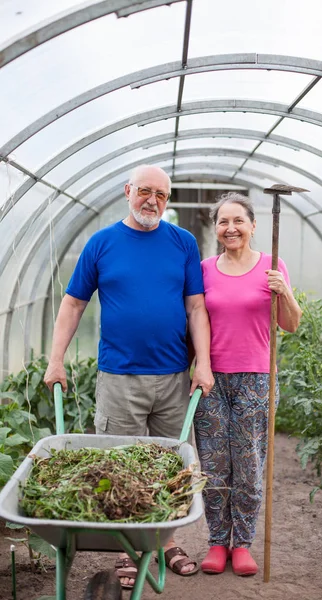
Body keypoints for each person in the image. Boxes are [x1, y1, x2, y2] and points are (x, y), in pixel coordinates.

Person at [44, 165, 214, 588]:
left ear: (168, 200)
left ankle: (165, 541)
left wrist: (204, 363)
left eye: (160, 193)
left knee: (170, 466)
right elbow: (72, 305)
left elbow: (196, 307)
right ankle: (123, 547)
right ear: (127, 191)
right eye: (144, 191)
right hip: (119, 379)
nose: (152, 200)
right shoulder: (102, 243)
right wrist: (55, 359)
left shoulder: (182, 243)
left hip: (174, 377)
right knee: (119, 465)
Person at [194, 192, 302, 577]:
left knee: (249, 463)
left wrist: (284, 291)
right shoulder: (204, 268)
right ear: (216, 227)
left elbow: (290, 324)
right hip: (211, 379)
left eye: (238, 220)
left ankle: (242, 544)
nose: (231, 228)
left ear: (253, 225)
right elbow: (194, 319)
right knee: (213, 464)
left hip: (257, 379)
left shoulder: (273, 266)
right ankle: (216, 542)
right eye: (223, 221)